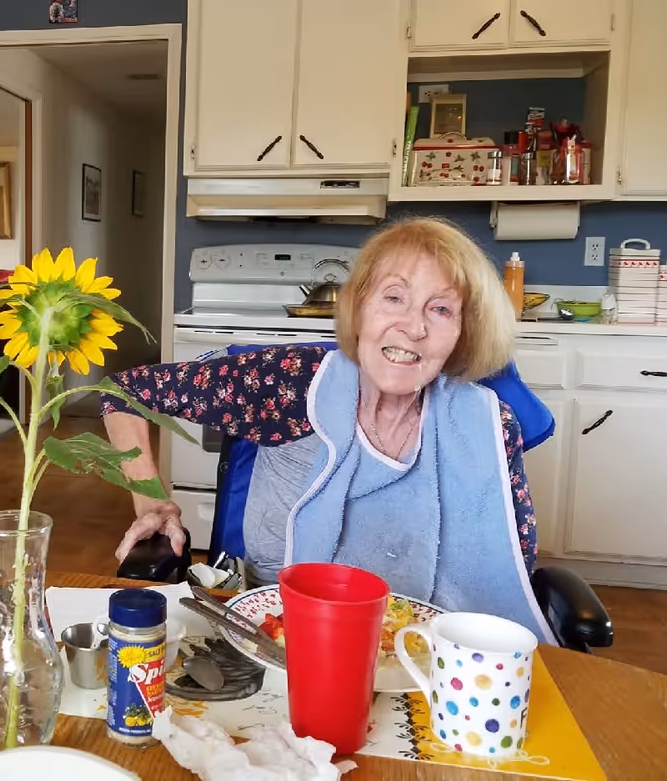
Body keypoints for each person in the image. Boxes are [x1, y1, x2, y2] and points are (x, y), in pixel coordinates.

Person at [102, 217, 553, 641]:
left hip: (429, 655)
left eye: (440, 309)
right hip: (278, 640)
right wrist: (153, 502)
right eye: (393, 297)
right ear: (358, 310)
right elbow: (125, 392)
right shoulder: (295, 382)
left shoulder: (488, 424)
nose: (413, 327)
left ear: (464, 333)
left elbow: (510, 559)